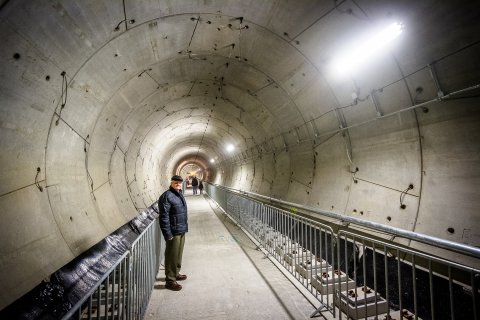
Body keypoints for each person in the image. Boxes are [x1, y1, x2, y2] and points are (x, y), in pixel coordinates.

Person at [158, 175, 188, 291]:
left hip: (181, 229)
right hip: (173, 231)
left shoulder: (179, 194)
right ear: (171, 183)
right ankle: (170, 281)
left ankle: (176, 273)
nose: (178, 184)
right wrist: (167, 233)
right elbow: (164, 217)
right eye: (176, 183)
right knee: (171, 255)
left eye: (180, 183)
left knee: (178, 254)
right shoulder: (166, 196)